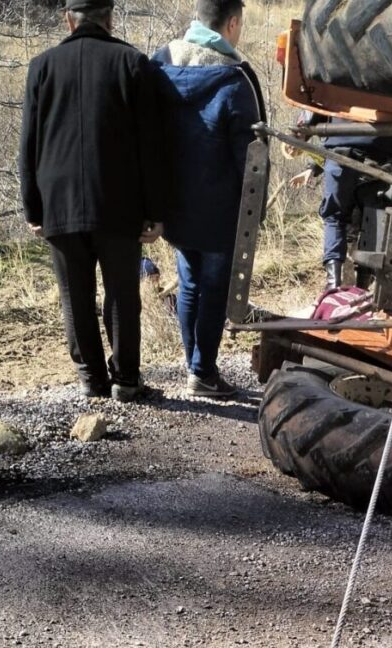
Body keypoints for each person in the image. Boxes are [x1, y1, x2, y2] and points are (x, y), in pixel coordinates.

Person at [19, 0, 164, 402]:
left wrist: (33, 207)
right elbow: (150, 146)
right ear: (110, 17)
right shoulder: (133, 63)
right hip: (118, 202)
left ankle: (91, 379)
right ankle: (127, 380)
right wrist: (155, 210)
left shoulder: (42, 66)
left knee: (74, 294)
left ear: (69, 20)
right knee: (122, 292)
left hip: (58, 201)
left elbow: (28, 145)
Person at [151, 0, 265, 399]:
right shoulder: (235, 80)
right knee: (213, 287)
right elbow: (252, 156)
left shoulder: (161, 63)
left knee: (189, 282)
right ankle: (202, 372)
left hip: (174, 204)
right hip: (220, 209)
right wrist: (256, 212)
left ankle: (194, 366)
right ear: (231, 24)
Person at [291, 111, 392, 291]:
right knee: (375, 221)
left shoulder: (330, 90)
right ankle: (363, 289)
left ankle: (333, 286)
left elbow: (303, 126)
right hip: (381, 162)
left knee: (334, 218)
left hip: (339, 158)